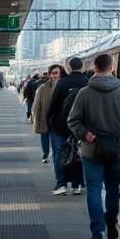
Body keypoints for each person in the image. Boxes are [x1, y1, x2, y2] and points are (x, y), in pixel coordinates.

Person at [68, 53, 120, 239]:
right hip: (117, 152)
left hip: (91, 151)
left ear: (95, 68)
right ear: (113, 67)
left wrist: (85, 134)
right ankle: (111, 222)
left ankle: (96, 232)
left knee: (93, 189)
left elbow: (72, 121)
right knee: (112, 189)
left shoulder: (84, 93)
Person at [48, 57, 89, 195]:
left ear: (69, 67)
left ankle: (62, 184)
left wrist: (49, 121)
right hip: (81, 127)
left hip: (61, 126)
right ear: (82, 67)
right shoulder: (87, 82)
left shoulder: (63, 83)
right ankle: (77, 185)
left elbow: (53, 104)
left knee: (60, 153)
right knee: (78, 154)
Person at [33, 67, 59, 163]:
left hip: (57, 119)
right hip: (45, 117)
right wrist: (36, 118)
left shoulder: (62, 85)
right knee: (45, 136)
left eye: (56, 73)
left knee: (54, 139)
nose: (55, 75)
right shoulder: (42, 88)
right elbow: (36, 105)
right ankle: (46, 154)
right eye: (53, 73)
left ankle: (51, 154)